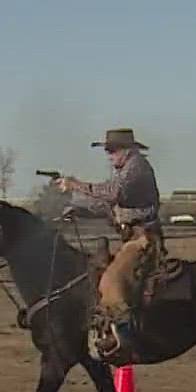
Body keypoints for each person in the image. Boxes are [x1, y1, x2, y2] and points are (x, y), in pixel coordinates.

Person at [56, 127, 161, 358]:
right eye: (107, 150)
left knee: (112, 280)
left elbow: (113, 193)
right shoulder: (126, 169)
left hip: (143, 239)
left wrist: (75, 185)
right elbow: (108, 205)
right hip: (132, 238)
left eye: (112, 150)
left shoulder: (137, 167)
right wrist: (78, 208)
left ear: (127, 150)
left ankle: (123, 338)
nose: (109, 155)